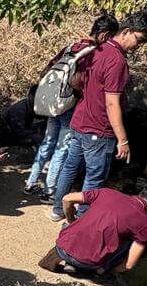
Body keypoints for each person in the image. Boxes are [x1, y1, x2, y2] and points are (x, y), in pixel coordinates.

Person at [50, 11, 147, 222]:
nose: (140, 45)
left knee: (70, 167)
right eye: (140, 39)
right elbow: (111, 103)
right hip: (98, 129)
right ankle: (82, 220)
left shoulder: (95, 50)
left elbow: (76, 81)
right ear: (126, 32)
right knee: (95, 177)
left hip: (79, 121)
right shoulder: (117, 62)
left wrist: (91, 94)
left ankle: (57, 209)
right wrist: (123, 140)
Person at [26, 15, 119, 200]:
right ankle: (49, 189)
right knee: (62, 148)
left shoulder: (71, 47)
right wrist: (83, 94)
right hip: (70, 106)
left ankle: (31, 182)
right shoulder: (94, 52)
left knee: (48, 142)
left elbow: (46, 71)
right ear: (105, 35)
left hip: (54, 104)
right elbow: (78, 82)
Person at [39, 182, 147, 276]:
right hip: (89, 262)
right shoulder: (146, 223)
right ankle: (99, 271)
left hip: (63, 247)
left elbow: (67, 199)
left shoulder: (107, 192)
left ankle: (61, 260)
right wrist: (112, 270)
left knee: (87, 220)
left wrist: (71, 220)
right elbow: (128, 265)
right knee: (130, 241)